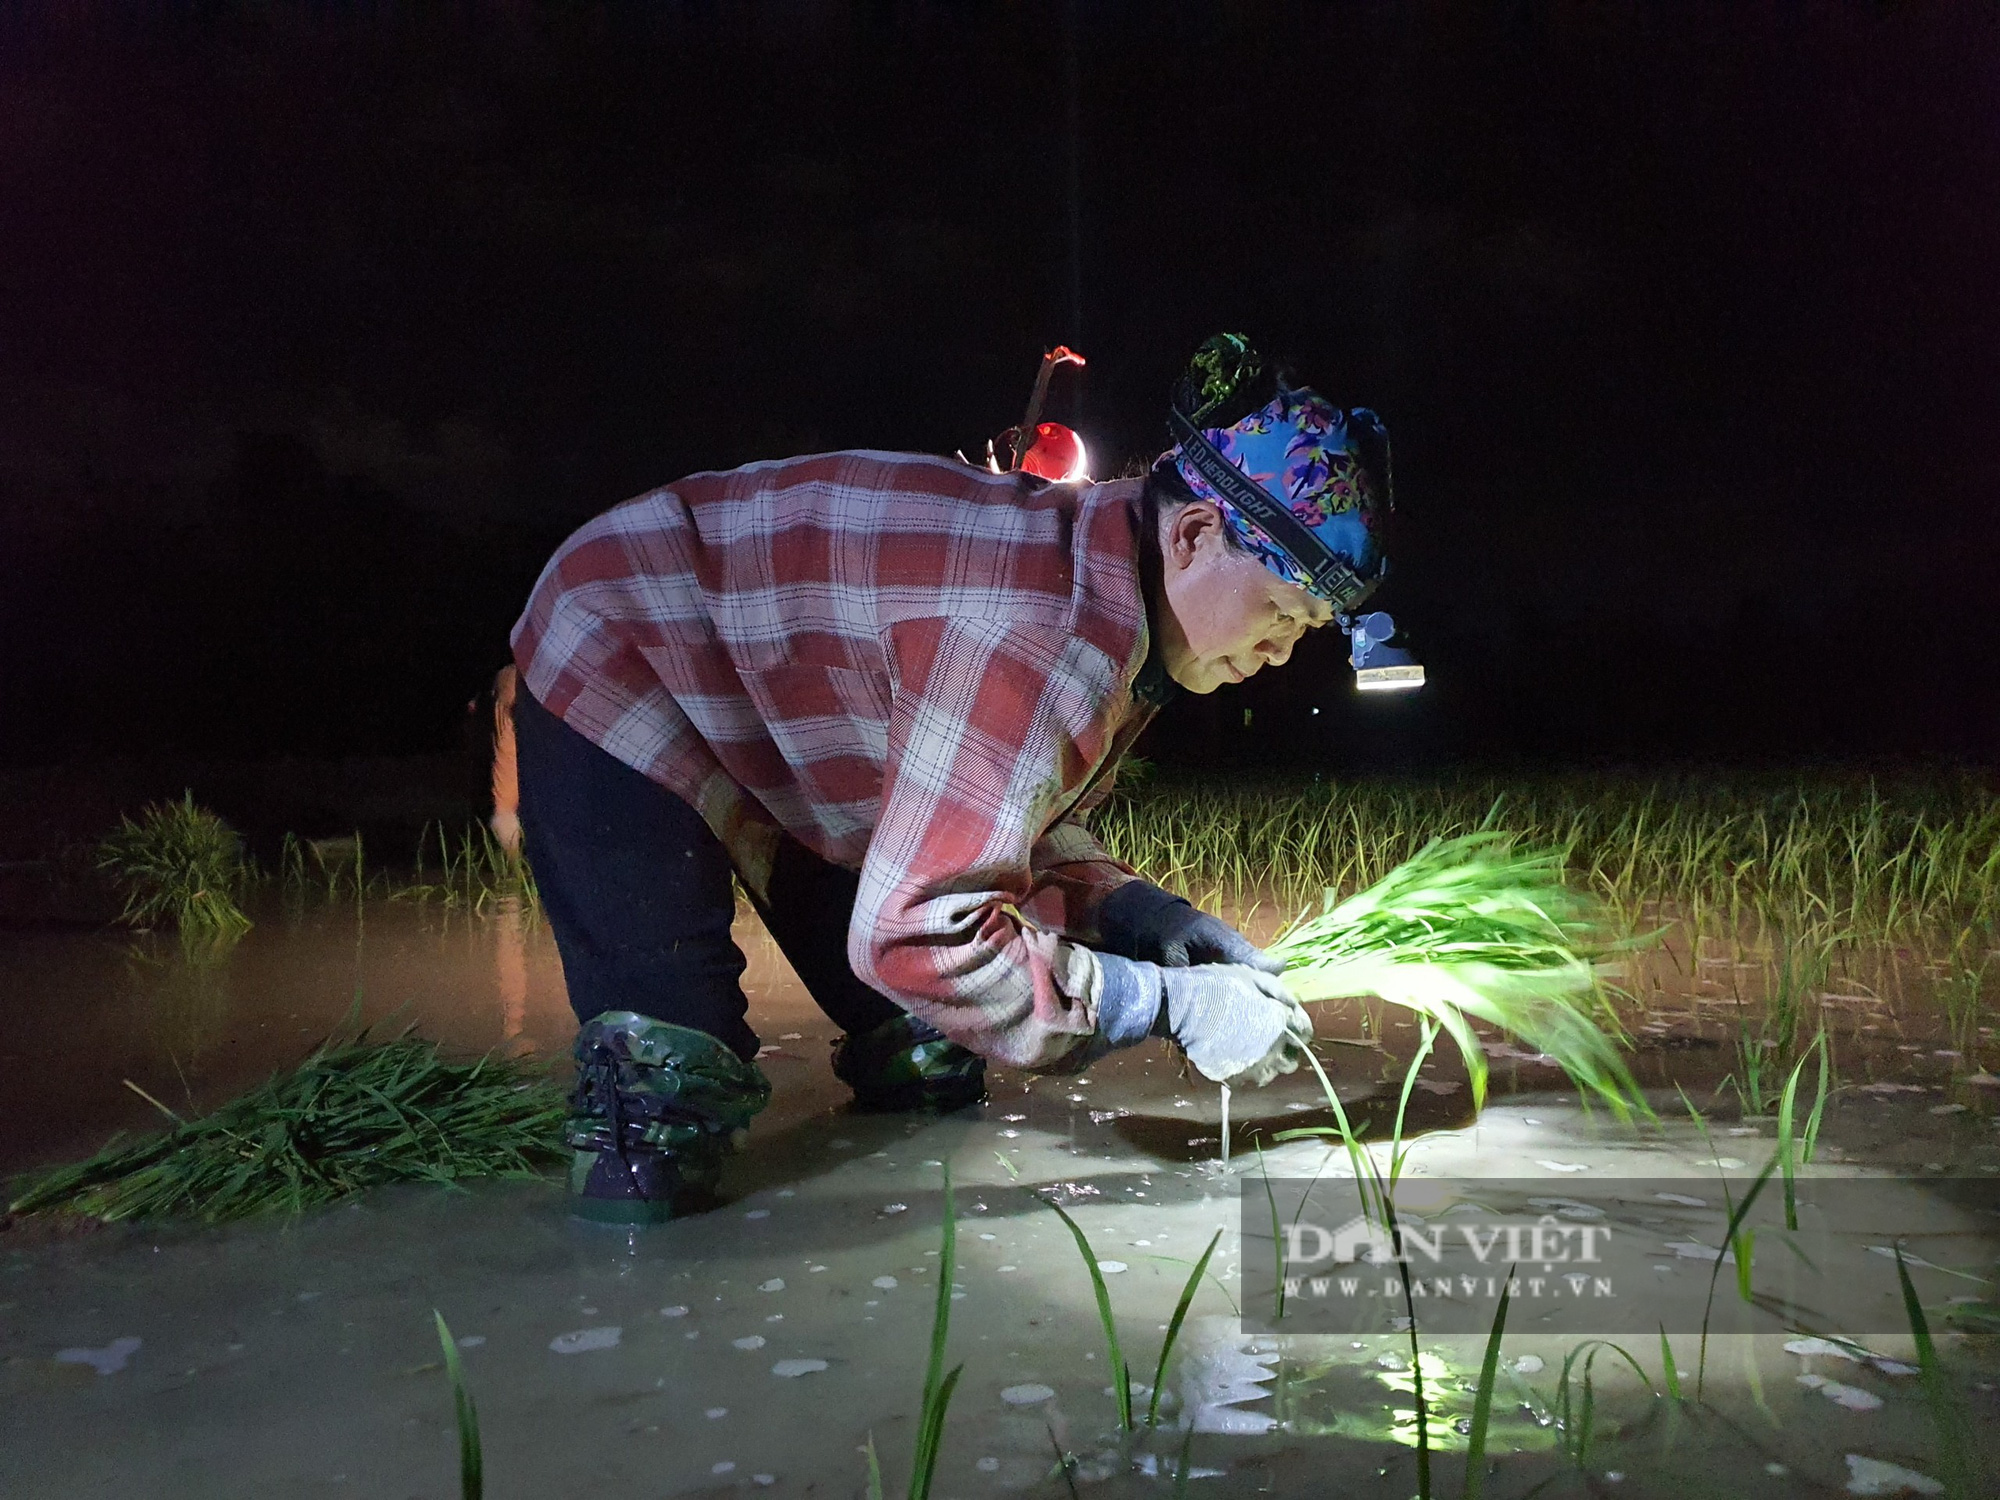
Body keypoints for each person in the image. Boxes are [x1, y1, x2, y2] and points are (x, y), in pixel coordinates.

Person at [507, 333, 1396, 1221]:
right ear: (1196, 533)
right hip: (623, 644)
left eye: (1305, 627)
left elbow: (1005, 819)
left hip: (794, 729)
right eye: (1282, 609)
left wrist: (1147, 920)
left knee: (926, 1056)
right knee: (662, 1117)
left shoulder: (1124, 596)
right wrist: (1167, 1005)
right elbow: (920, 941)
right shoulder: (1035, 630)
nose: (1281, 651)